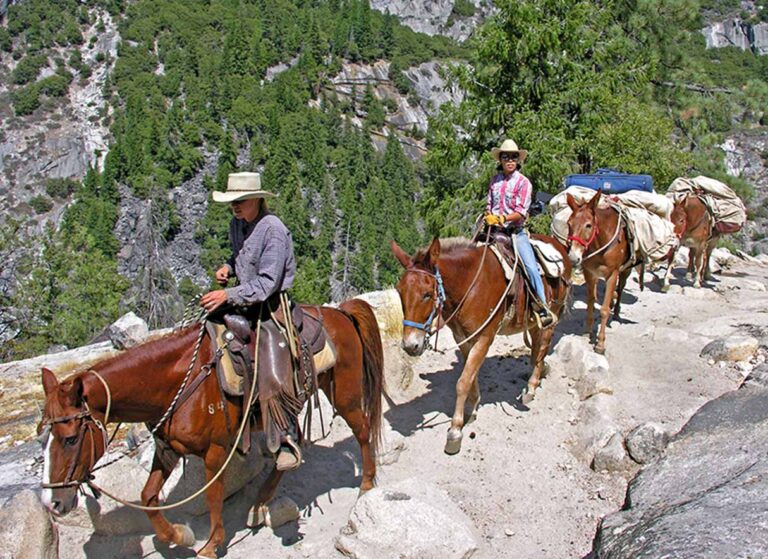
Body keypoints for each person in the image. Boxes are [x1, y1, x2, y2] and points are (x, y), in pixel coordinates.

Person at [200, 171, 302, 470]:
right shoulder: (237, 224)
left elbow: (267, 282)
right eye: (233, 201)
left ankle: (286, 435)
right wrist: (227, 267)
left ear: (257, 199)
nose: (236, 206)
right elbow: (240, 257)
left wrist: (227, 295)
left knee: (271, 354)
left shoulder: (273, 229)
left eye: (241, 201)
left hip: (271, 306)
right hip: (243, 298)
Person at [483, 139, 556, 327]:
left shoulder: (524, 183)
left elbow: (522, 211)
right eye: (506, 157)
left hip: (515, 233)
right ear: (500, 160)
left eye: (513, 157)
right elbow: (489, 205)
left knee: (531, 267)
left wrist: (501, 219)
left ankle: (542, 306)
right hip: (493, 231)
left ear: (518, 160)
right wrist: (488, 216)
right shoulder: (494, 181)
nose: (509, 160)